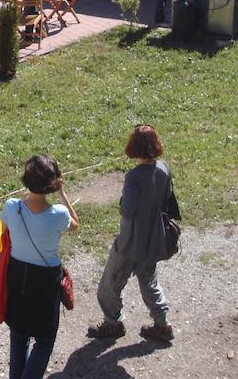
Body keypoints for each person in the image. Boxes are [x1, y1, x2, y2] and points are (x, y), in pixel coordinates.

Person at [88, 125, 176, 344]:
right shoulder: (164, 168)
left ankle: (113, 323)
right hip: (154, 239)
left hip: (130, 242)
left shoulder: (133, 177)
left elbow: (127, 210)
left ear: (134, 147)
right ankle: (162, 324)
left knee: (110, 285)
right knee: (149, 282)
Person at [0, 155, 79, 379]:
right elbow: (75, 224)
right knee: (44, 339)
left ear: (26, 180)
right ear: (53, 183)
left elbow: (4, 230)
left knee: (18, 334)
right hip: (46, 280)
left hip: (17, 274)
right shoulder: (58, 215)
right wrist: (62, 194)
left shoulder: (12, 207)